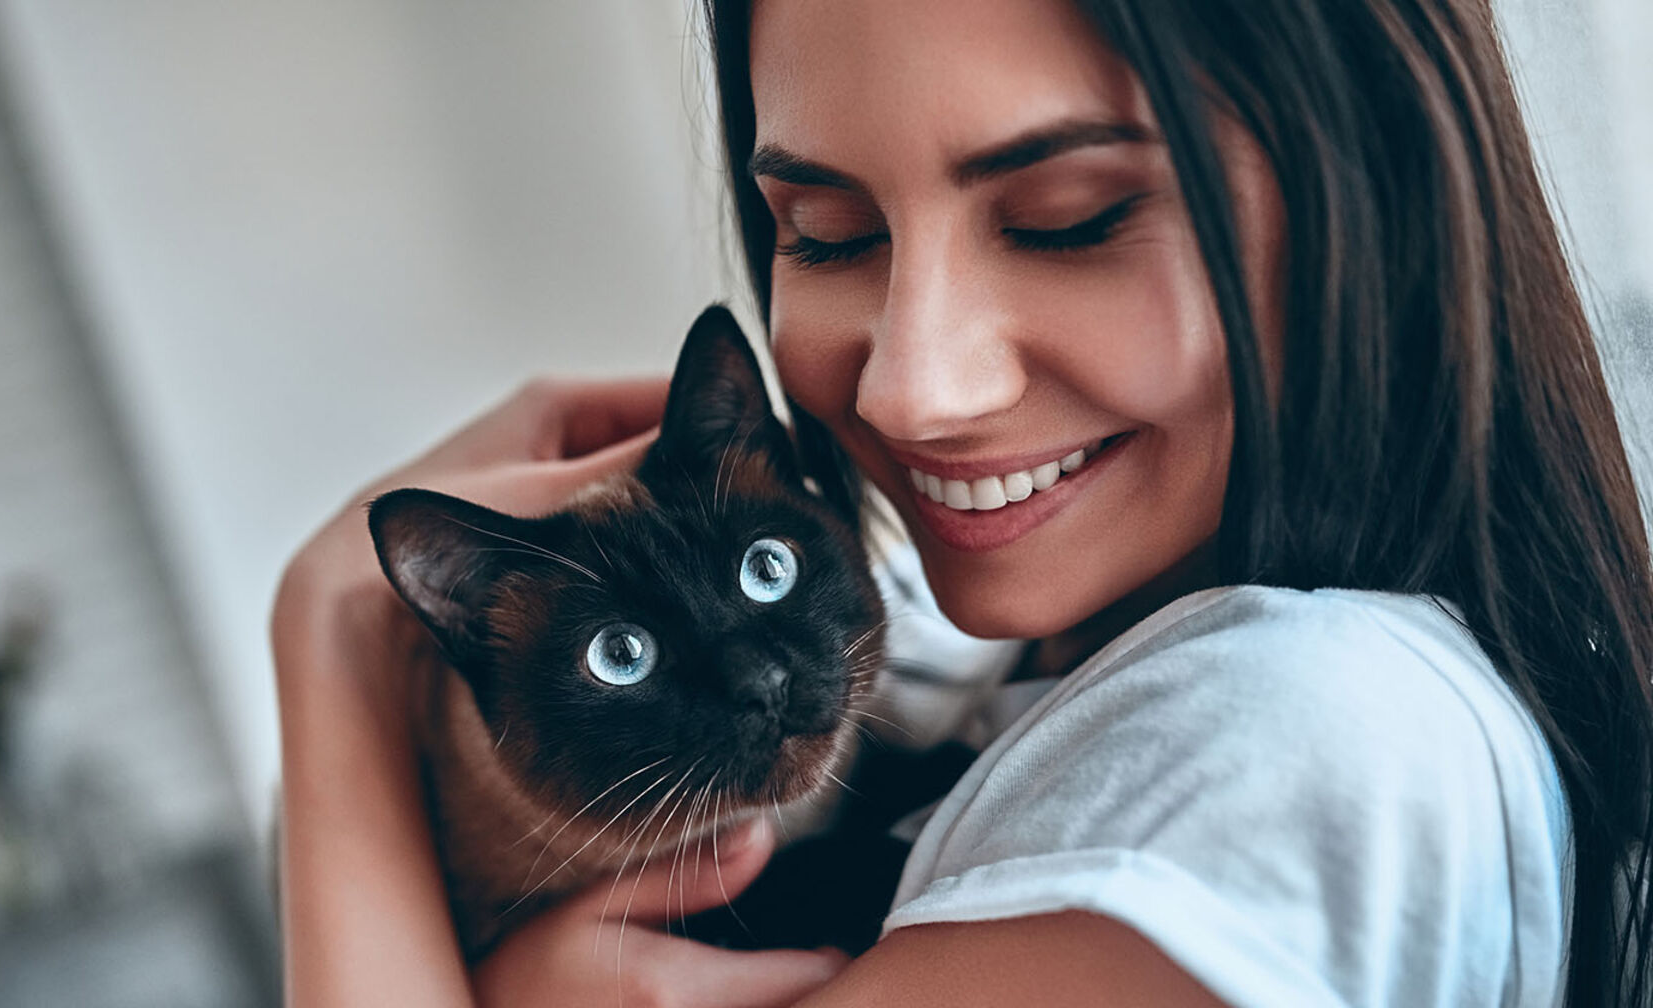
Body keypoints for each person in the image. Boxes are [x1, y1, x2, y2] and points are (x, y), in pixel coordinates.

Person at [271, 0, 1653, 1004]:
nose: (911, 388)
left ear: (1376, 184)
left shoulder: (1296, 735)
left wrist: (327, 639)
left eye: (1068, 215)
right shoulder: (995, 678)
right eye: (830, 236)